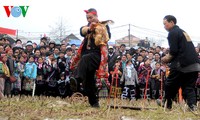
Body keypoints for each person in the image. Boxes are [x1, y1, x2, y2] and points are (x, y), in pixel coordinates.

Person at [157, 15, 200, 111]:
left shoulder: (173, 32)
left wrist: (165, 59)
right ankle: (192, 106)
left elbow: (174, 51)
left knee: (170, 84)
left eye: (165, 24)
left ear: (172, 22)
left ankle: (166, 104)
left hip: (181, 63)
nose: (164, 26)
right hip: (194, 64)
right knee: (188, 86)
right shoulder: (183, 32)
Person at [70, 8, 111, 107]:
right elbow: (82, 31)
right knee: (88, 82)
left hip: (98, 55)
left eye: (91, 17)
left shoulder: (104, 26)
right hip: (87, 56)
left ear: (96, 16)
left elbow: (107, 36)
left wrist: (97, 28)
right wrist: (89, 29)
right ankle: (94, 103)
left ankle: (77, 79)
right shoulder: (87, 27)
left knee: (85, 58)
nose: (89, 20)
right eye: (87, 18)